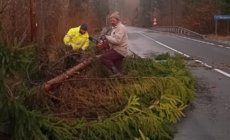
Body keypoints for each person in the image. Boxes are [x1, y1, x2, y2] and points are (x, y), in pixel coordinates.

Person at [99, 11, 128, 77]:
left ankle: (116, 73)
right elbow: (112, 39)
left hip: (119, 50)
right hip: (117, 50)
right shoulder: (115, 28)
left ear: (118, 20)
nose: (112, 22)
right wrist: (106, 42)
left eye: (113, 20)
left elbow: (117, 41)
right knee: (117, 69)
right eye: (111, 20)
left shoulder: (121, 27)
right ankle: (119, 79)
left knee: (103, 57)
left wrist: (106, 36)